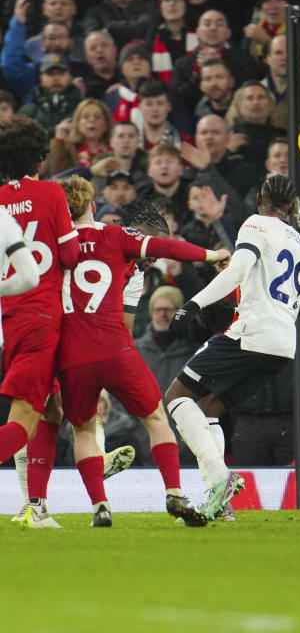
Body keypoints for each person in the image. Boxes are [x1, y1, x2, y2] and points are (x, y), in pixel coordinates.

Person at [54, 176, 223, 527]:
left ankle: (98, 505)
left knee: (81, 429)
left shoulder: (53, 245)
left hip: (69, 355)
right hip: (115, 347)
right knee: (156, 418)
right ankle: (174, 491)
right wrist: (211, 254)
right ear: (93, 206)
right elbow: (169, 250)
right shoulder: (116, 238)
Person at [164, 174, 300, 520]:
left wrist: (192, 305)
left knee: (175, 397)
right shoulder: (297, 239)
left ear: (260, 199)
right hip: (284, 345)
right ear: (292, 207)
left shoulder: (256, 223)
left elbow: (239, 270)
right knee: (211, 408)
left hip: (253, 333)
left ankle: (220, 479)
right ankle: (222, 505)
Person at [0, 117, 80, 527]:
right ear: (41, 157)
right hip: (42, 316)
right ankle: (35, 506)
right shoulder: (51, 193)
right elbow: (68, 257)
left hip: (8, 320)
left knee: (49, 412)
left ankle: (37, 506)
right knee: (24, 418)